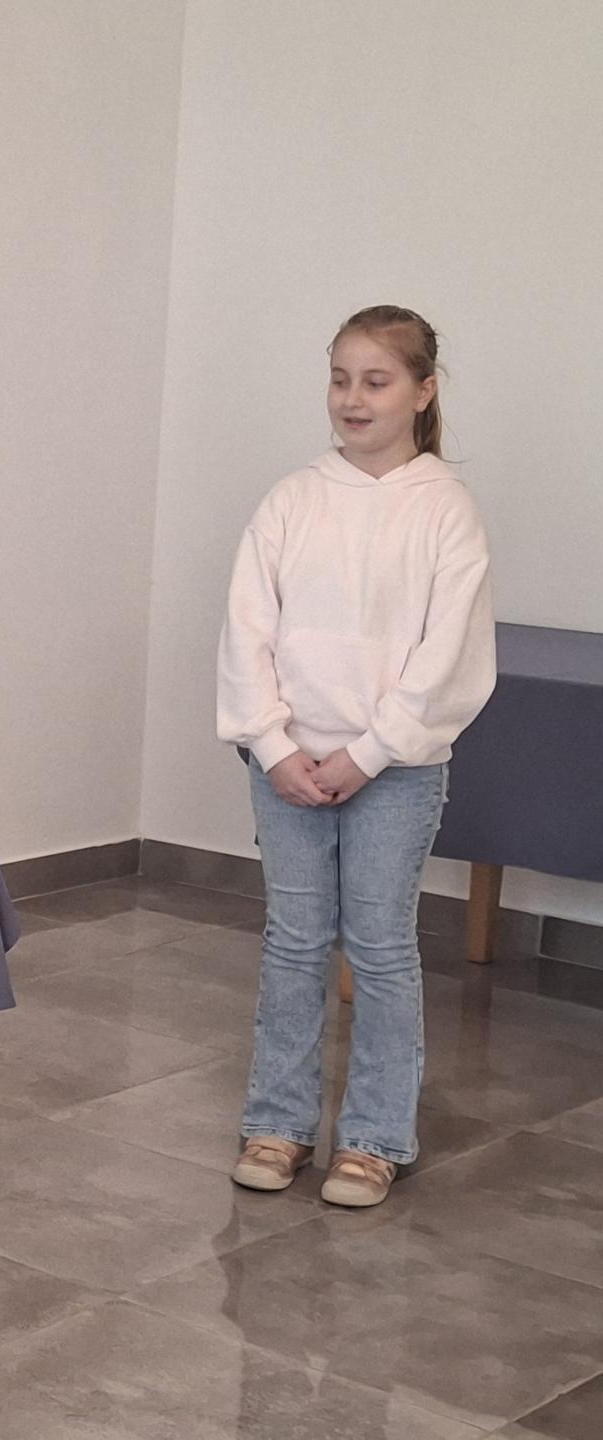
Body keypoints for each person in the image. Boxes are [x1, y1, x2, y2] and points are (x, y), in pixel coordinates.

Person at [217, 306, 495, 1209]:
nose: (353, 398)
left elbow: (449, 657)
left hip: (397, 773)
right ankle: (278, 1124)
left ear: (423, 391)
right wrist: (272, 743)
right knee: (294, 942)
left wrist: (371, 753)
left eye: (376, 380)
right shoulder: (292, 499)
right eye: (340, 379)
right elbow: (248, 631)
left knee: (378, 946)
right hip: (287, 766)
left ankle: (374, 1138)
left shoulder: (445, 510)